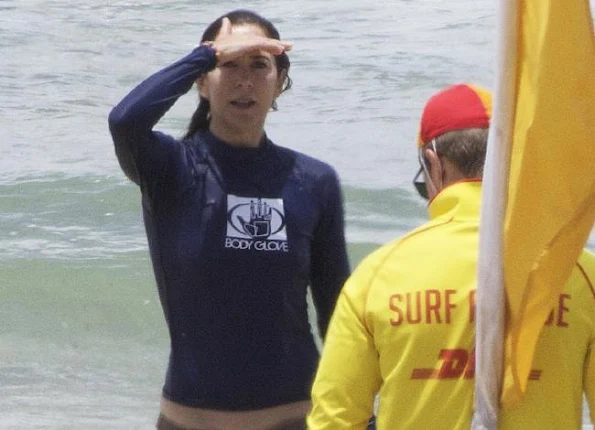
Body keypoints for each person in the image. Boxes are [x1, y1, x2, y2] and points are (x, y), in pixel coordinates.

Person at [108, 9, 350, 430]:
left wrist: (359, 414)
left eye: (259, 65)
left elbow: (338, 316)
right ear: (203, 83)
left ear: (279, 82)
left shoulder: (314, 181)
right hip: (189, 420)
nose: (244, 80)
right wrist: (201, 56)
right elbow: (125, 121)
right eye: (229, 65)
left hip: (295, 417)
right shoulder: (171, 170)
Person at [306, 83, 595, 429]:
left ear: (433, 164)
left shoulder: (377, 276)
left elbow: (334, 420)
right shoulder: (576, 271)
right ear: (514, 159)